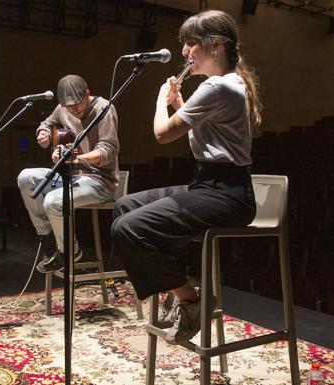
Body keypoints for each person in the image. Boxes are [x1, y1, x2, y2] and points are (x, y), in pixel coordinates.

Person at [111, 10, 261, 343]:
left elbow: (162, 134)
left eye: (191, 43)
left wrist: (160, 102)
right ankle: (175, 285)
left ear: (216, 46)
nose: (184, 52)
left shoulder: (219, 87)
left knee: (129, 228)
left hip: (229, 194)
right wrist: (179, 101)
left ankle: (192, 300)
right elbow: (204, 131)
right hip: (209, 185)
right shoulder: (223, 85)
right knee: (123, 207)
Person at [18, 74, 120, 273]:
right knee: (25, 177)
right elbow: (46, 123)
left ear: (87, 93)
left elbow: (108, 151)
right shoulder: (63, 109)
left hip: (99, 181)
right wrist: (44, 134)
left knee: (53, 201)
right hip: (72, 176)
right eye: (68, 107)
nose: (74, 110)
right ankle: (48, 241)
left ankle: (70, 251)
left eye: (77, 105)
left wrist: (76, 159)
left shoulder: (104, 109)